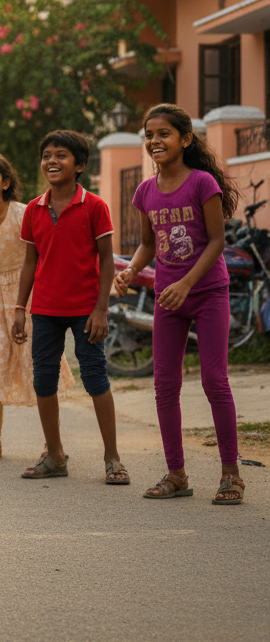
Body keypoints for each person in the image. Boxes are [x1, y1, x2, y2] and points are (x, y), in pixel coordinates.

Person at [115, 104, 244, 505]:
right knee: (164, 386)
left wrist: (188, 284)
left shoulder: (203, 183)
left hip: (207, 293)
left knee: (214, 381)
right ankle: (176, 473)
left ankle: (231, 476)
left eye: (164, 133)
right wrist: (131, 271)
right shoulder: (144, 192)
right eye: (149, 135)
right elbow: (149, 244)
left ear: (185, 139)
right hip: (168, 296)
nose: (155, 141)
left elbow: (217, 242)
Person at [12, 130, 127, 485]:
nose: (51, 161)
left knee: (95, 377)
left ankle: (112, 458)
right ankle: (55, 454)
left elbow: (107, 261)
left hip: (85, 309)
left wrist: (101, 309)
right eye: (47, 155)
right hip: (45, 308)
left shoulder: (94, 206)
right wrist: (20, 306)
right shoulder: (34, 208)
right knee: (43, 380)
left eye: (61, 155)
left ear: (79, 165)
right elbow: (30, 261)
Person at [0, 151, 72, 460]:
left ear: (5, 182)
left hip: (31, 293)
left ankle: (53, 443)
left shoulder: (25, 213)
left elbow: (45, 254)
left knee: (40, 366)